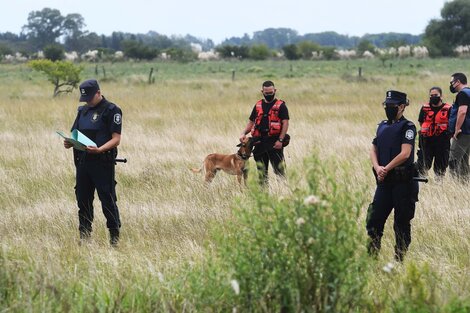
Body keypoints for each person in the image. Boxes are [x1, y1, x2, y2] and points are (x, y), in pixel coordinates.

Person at [64, 79, 123, 246]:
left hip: (102, 163)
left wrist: (100, 149)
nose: (88, 102)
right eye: (85, 99)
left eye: (90, 98)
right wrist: (69, 142)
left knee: (107, 200)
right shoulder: (82, 111)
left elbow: (116, 139)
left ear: (98, 92)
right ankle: (84, 236)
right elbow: (74, 133)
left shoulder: (112, 110)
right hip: (83, 163)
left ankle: (114, 238)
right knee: (83, 200)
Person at [366, 90, 419, 262]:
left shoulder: (408, 127)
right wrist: (378, 167)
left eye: (392, 106)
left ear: (402, 107)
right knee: (374, 219)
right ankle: (372, 258)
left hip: (403, 183)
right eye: (386, 105)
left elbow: (405, 154)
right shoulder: (382, 125)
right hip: (384, 182)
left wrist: (386, 168)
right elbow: (374, 148)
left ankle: (399, 260)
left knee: (401, 223)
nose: (388, 108)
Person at [239, 80, 289, 184]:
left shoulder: (281, 106)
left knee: (280, 172)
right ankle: (263, 195)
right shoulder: (258, 105)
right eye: (267, 93)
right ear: (262, 91)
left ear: (275, 90)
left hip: (275, 143)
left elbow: (285, 123)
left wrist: (280, 140)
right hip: (259, 143)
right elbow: (251, 121)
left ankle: (283, 192)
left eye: (271, 93)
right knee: (261, 173)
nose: (269, 95)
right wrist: (243, 133)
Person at [416, 87, 451, 178]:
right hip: (427, 142)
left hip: (442, 142)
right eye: (431, 95)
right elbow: (421, 122)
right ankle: (421, 185)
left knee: (440, 168)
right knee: (422, 165)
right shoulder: (424, 108)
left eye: (436, 95)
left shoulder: (448, 109)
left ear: (441, 96)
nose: (433, 97)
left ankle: (439, 187)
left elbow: (451, 124)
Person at [448, 73, 470, 182]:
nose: (451, 85)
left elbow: (462, 112)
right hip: (468, 133)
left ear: (458, 82)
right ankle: (465, 184)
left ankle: (455, 184)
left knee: (453, 160)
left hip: (463, 132)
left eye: (452, 82)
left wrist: (457, 129)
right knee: (464, 160)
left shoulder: (462, 94)